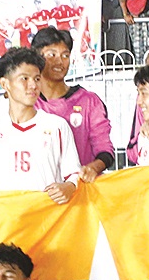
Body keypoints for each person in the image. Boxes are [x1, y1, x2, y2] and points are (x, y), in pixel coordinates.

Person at [0, 47, 81, 202]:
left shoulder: (57, 126)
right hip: (4, 215)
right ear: (5, 84)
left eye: (37, 79)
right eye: (24, 78)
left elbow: (74, 174)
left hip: (46, 215)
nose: (33, 85)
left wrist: (69, 187)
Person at [32, 26, 113, 182]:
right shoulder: (29, 103)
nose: (59, 61)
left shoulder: (89, 101)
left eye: (65, 55)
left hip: (81, 190)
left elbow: (105, 149)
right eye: (52, 54)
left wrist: (94, 167)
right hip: (40, 193)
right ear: (36, 58)